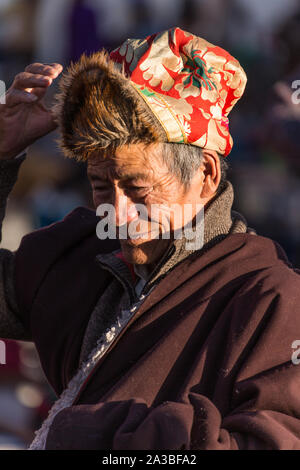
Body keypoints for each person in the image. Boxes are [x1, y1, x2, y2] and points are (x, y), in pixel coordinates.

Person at [0, 27, 300, 450]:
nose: (118, 215)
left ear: (206, 175)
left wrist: (89, 435)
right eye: (101, 187)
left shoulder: (271, 301)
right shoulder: (75, 255)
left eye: (139, 189)